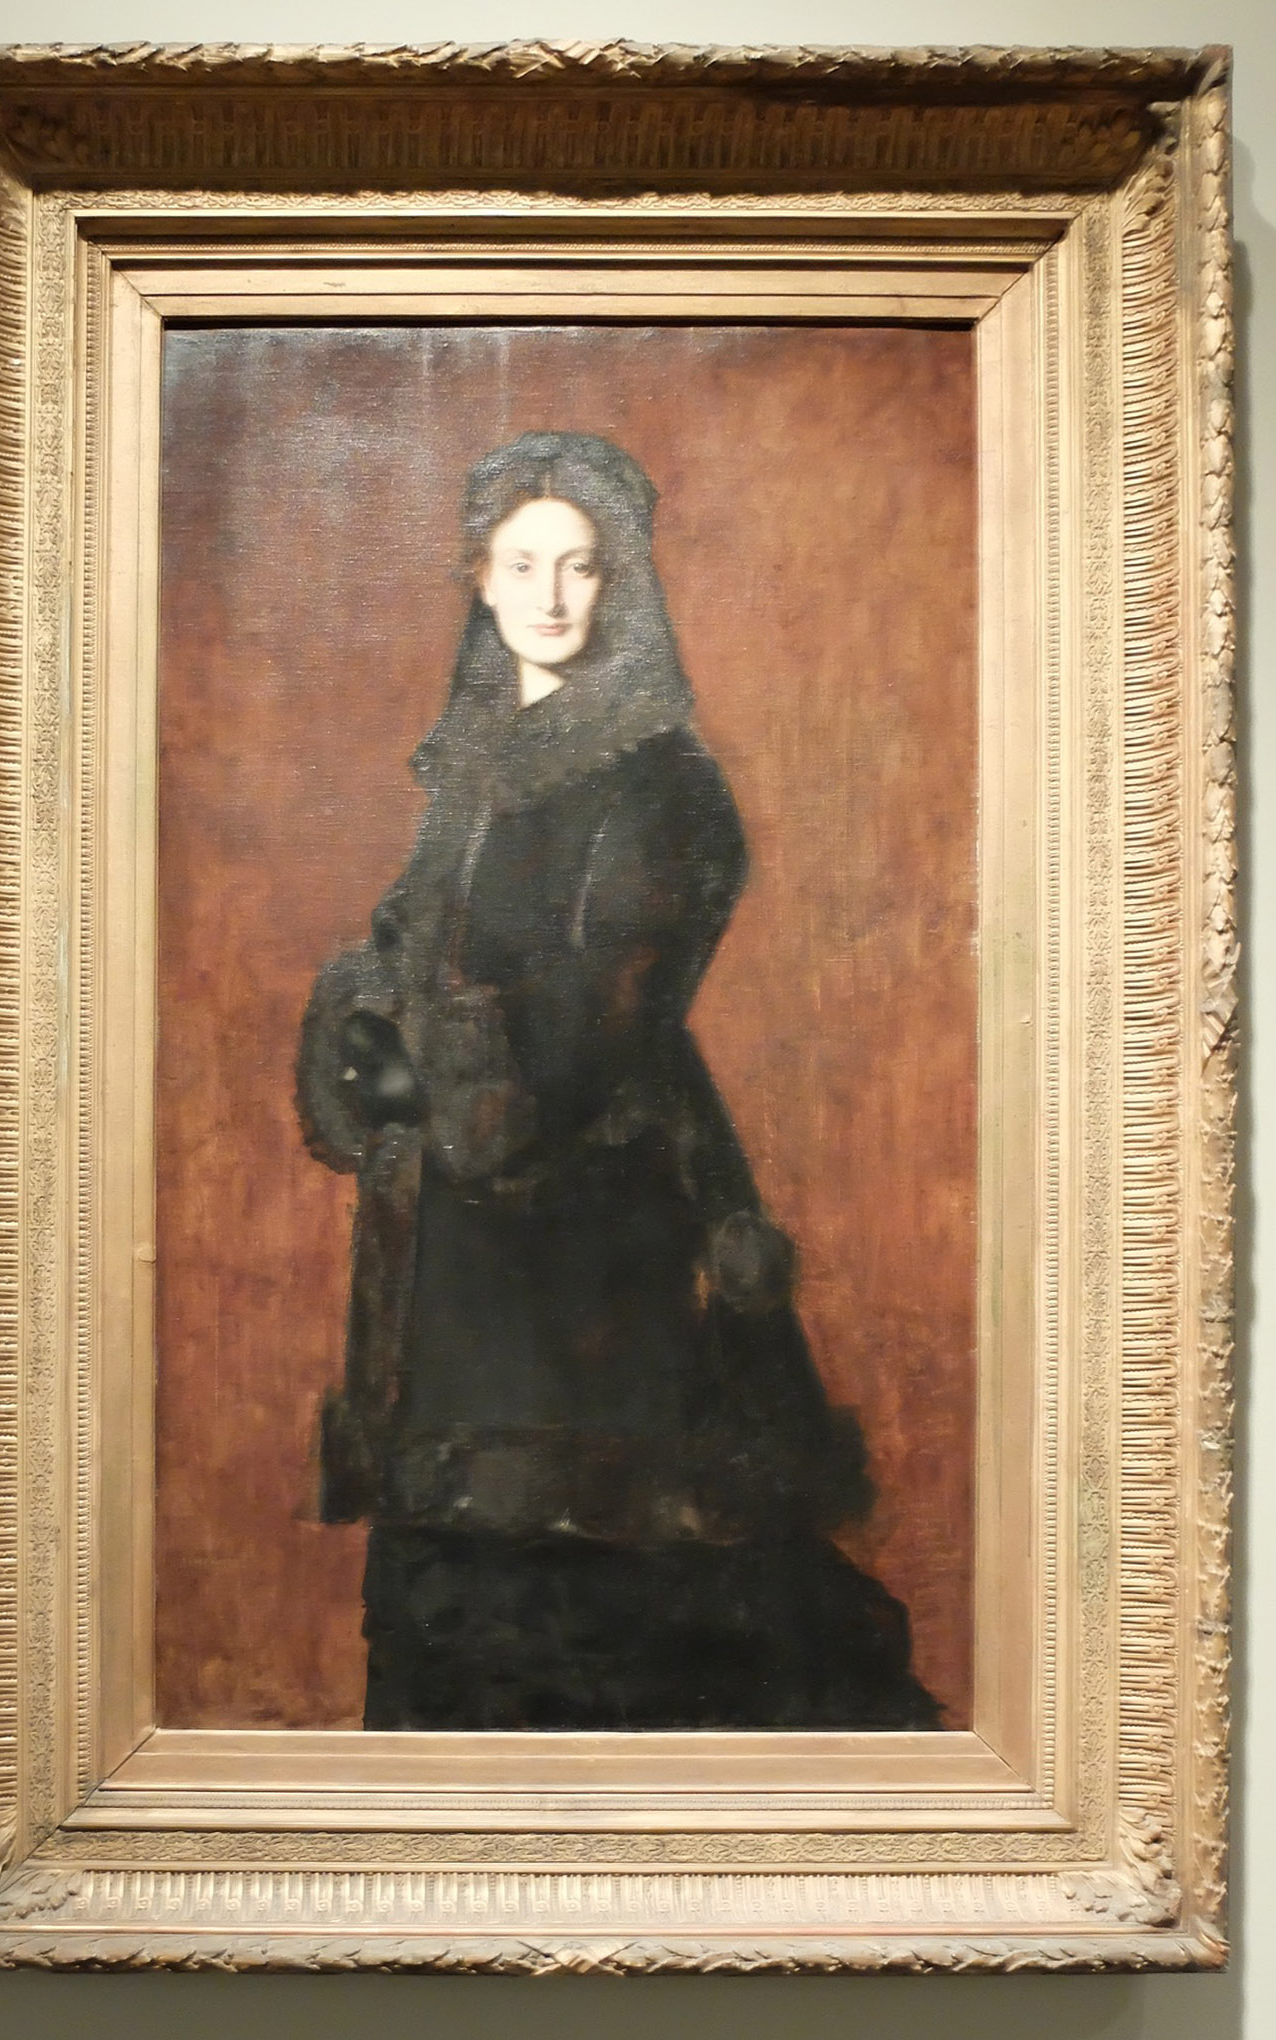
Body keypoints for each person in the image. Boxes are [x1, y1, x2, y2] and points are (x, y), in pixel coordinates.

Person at [296, 430, 938, 1732]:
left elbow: (592, 1028)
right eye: (523, 564)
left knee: (601, 1603)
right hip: (452, 1259)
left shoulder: (664, 785)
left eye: (580, 567)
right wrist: (363, 1024)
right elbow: (398, 946)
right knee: (449, 1597)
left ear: (616, 584)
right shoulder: (470, 771)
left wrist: (431, 1069)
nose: (549, 596)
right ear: (479, 578)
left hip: (596, 1247)